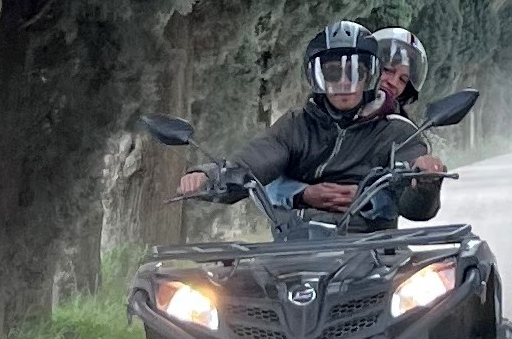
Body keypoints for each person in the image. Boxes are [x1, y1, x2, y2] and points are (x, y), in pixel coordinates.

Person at [178, 21, 442, 221]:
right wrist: (209, 176)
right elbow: (255, 162)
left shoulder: (398, 131)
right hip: (295, 251)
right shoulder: (297, 124)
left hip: (371, 254)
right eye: (333, 73)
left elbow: (414, 205)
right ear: (317, 77)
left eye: (355, 72)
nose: (344, 83)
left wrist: (424, 181)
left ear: (368, 75)